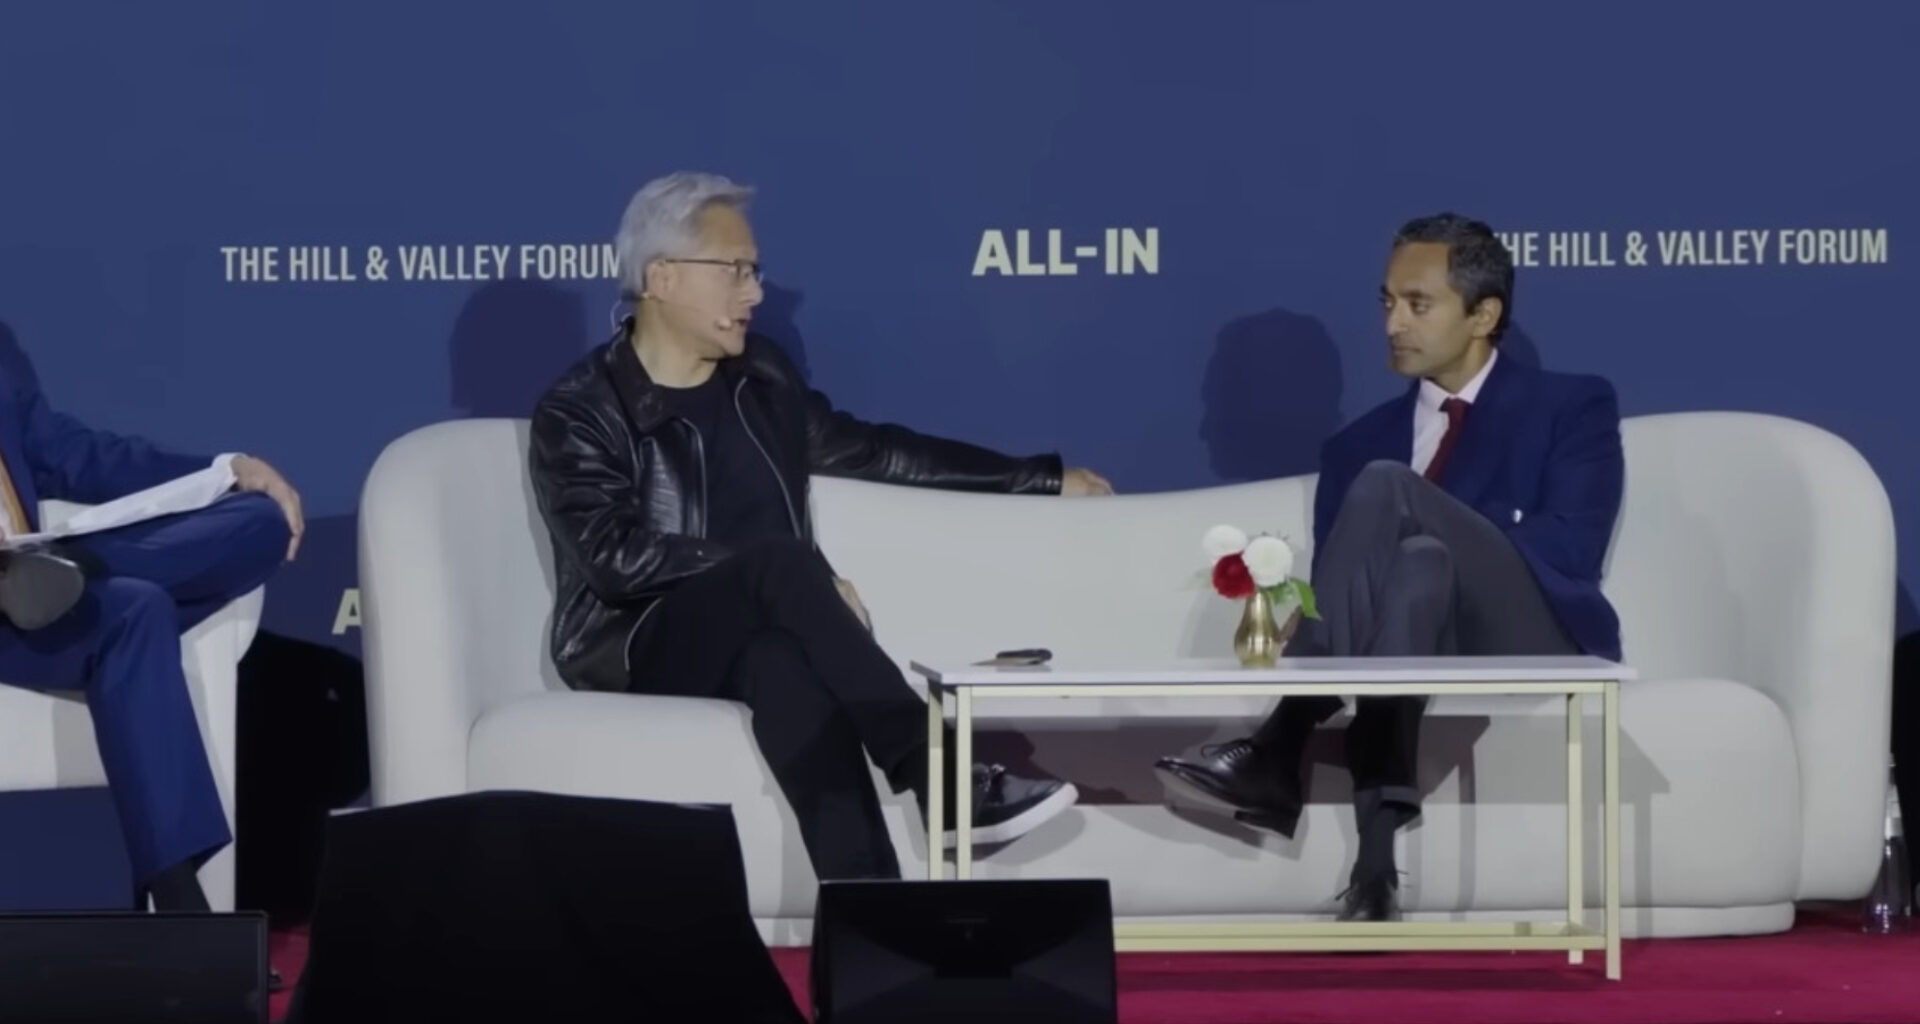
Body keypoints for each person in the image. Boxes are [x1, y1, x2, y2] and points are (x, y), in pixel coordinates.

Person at [528, 171, 1115, 881]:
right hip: (644, 646)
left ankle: (871, 918)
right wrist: (783, 574)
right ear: (662, 277)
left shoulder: (762, 379)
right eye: (735, 270)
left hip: (761, 633)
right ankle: (936, 771)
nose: (754, 293)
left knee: (784, 673)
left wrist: (1039, 477)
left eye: (755, 272)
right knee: (780, 563)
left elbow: (877, 451)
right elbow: (614, 557)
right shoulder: (582, 408)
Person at [1156, 213, 1625, 921]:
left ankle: (1281, 741)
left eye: (1417, 304)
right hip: (1418, 629)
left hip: (1533, 626)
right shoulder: (1355, 444)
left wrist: (1447, 523)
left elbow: (1571, 547)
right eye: (1387, 302)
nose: (1392, 324)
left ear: (1483, 315)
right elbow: (1352, 588)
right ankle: (1374, 873)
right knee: (1417, 567)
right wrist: (1421, 549)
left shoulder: (1571, 404)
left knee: (1397, 498)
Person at [0, 348, 302, 913]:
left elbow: (73, 455)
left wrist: (225, 470)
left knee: (260, 522)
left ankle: (58, 570)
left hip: (42, 586)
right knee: (136, 609)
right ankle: (182, 903)